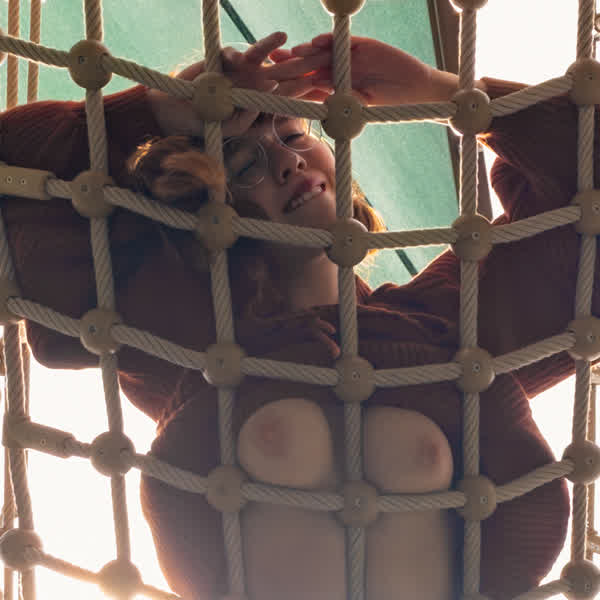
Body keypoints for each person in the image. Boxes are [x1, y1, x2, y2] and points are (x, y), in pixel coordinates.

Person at [0, 29, 582, 600]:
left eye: (294, 133)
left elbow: (589, 198)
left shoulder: (448, 325)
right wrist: (161, 110)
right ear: (202, 202)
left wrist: (444, 93)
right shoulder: (179, 324)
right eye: (243, 162)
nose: (286, 161)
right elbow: (12, 166)